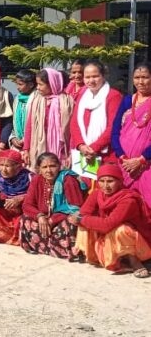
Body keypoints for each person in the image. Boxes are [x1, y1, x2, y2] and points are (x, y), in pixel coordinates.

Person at [70, 164, 151, 278]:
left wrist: (82, 219)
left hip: (139, 245)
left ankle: (134, 262)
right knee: (83, 224)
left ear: (120, 181)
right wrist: (81, 219)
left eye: (110, 181)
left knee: (122, 229)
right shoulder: (97, 193)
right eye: (101, 181)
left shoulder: (128, 200)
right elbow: (83, 213)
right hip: (108, 237)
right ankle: (97, 256)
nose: (105, 186)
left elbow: (107, 225)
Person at [20, 152, 85, 259]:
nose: (48, 170)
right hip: (44, 219)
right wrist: (39, 216)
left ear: (59, 166)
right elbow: (27, 205)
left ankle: (65, 250)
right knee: (25, 218)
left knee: (72, 221)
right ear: (39, 169)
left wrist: (52, 220)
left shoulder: (68, 179)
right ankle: (42, 246)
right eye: (44, 167)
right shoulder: (37, 180)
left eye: (52, 166)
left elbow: (75, 207)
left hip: (61, 219)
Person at [70, 60, 123, 176]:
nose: (91, 80)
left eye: (95, 76)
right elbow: (74, 123)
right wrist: (81, 145)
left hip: (105, 154)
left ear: (103, 76)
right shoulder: (82, 95)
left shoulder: (113, 96)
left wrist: (94, 148)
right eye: (87, 77)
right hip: (83, 153)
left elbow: (113, 126)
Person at [111, 63, 151, 207]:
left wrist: (141, 159)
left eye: (145, 77)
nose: (140, 82)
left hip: (147, 165)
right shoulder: (127, 101)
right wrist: (123, 157)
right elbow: (115, 131)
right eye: (137, 77)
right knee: (124, 205)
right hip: (124, 164)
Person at [22, 68, 73, 170]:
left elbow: (72, 130)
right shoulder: (37, 101)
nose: (38, 88)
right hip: (39, 147)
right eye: (37, 84)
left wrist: (71, 152)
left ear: (52, 84)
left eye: (41, 84)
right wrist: (26, 149)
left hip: (61, 150)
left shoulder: (67, 102)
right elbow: (29, 126)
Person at [9, 69, 37, 153]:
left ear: (31, 85)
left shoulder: (38, 99)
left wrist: (26, 139)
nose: (17, 87)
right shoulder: (17, 99)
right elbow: (13, 121)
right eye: (17, 84)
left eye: (20, 84)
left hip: (33, 144)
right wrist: (13, 138)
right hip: (18, 143)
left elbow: (37, 124)